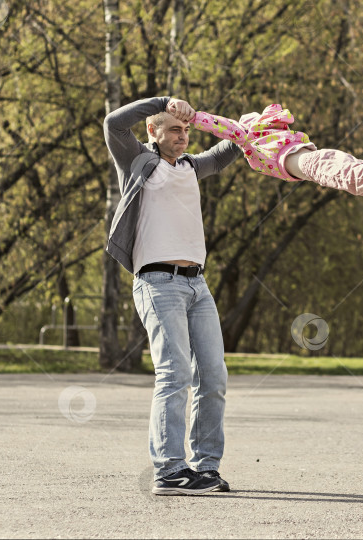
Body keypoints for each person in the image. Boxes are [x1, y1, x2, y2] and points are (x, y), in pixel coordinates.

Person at [104, 96, 241, 495]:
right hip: (158, 284)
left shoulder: (193, 166)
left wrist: (252, 124)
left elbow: (234, 142)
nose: (183, 137)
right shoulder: (137, 162)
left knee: (213, 375)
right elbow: (113, 122)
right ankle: (169, 469)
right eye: (174, 129)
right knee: (176, 374)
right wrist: (163, 102)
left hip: (198, 285)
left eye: (187, 130)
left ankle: (205, 467)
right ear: (153, 130)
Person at [189, 104, 363, 211]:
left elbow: (222, 126)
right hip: (318, 159)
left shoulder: (250, 136)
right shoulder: (276, 135)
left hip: (312, 164)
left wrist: (193, 118)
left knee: (349, 177)